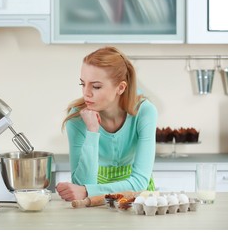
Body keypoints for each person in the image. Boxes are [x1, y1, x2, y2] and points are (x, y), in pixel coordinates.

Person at [56, 46, 157, 201]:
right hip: (94, 203)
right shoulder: (77, 119)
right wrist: (92, 131)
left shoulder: (145, 112)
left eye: (96, 86)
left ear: (120, 88)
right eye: (83, 84)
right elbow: (83, 184)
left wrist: (88, 191)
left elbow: (139, 183)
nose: (86, 93)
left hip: (138, 201)